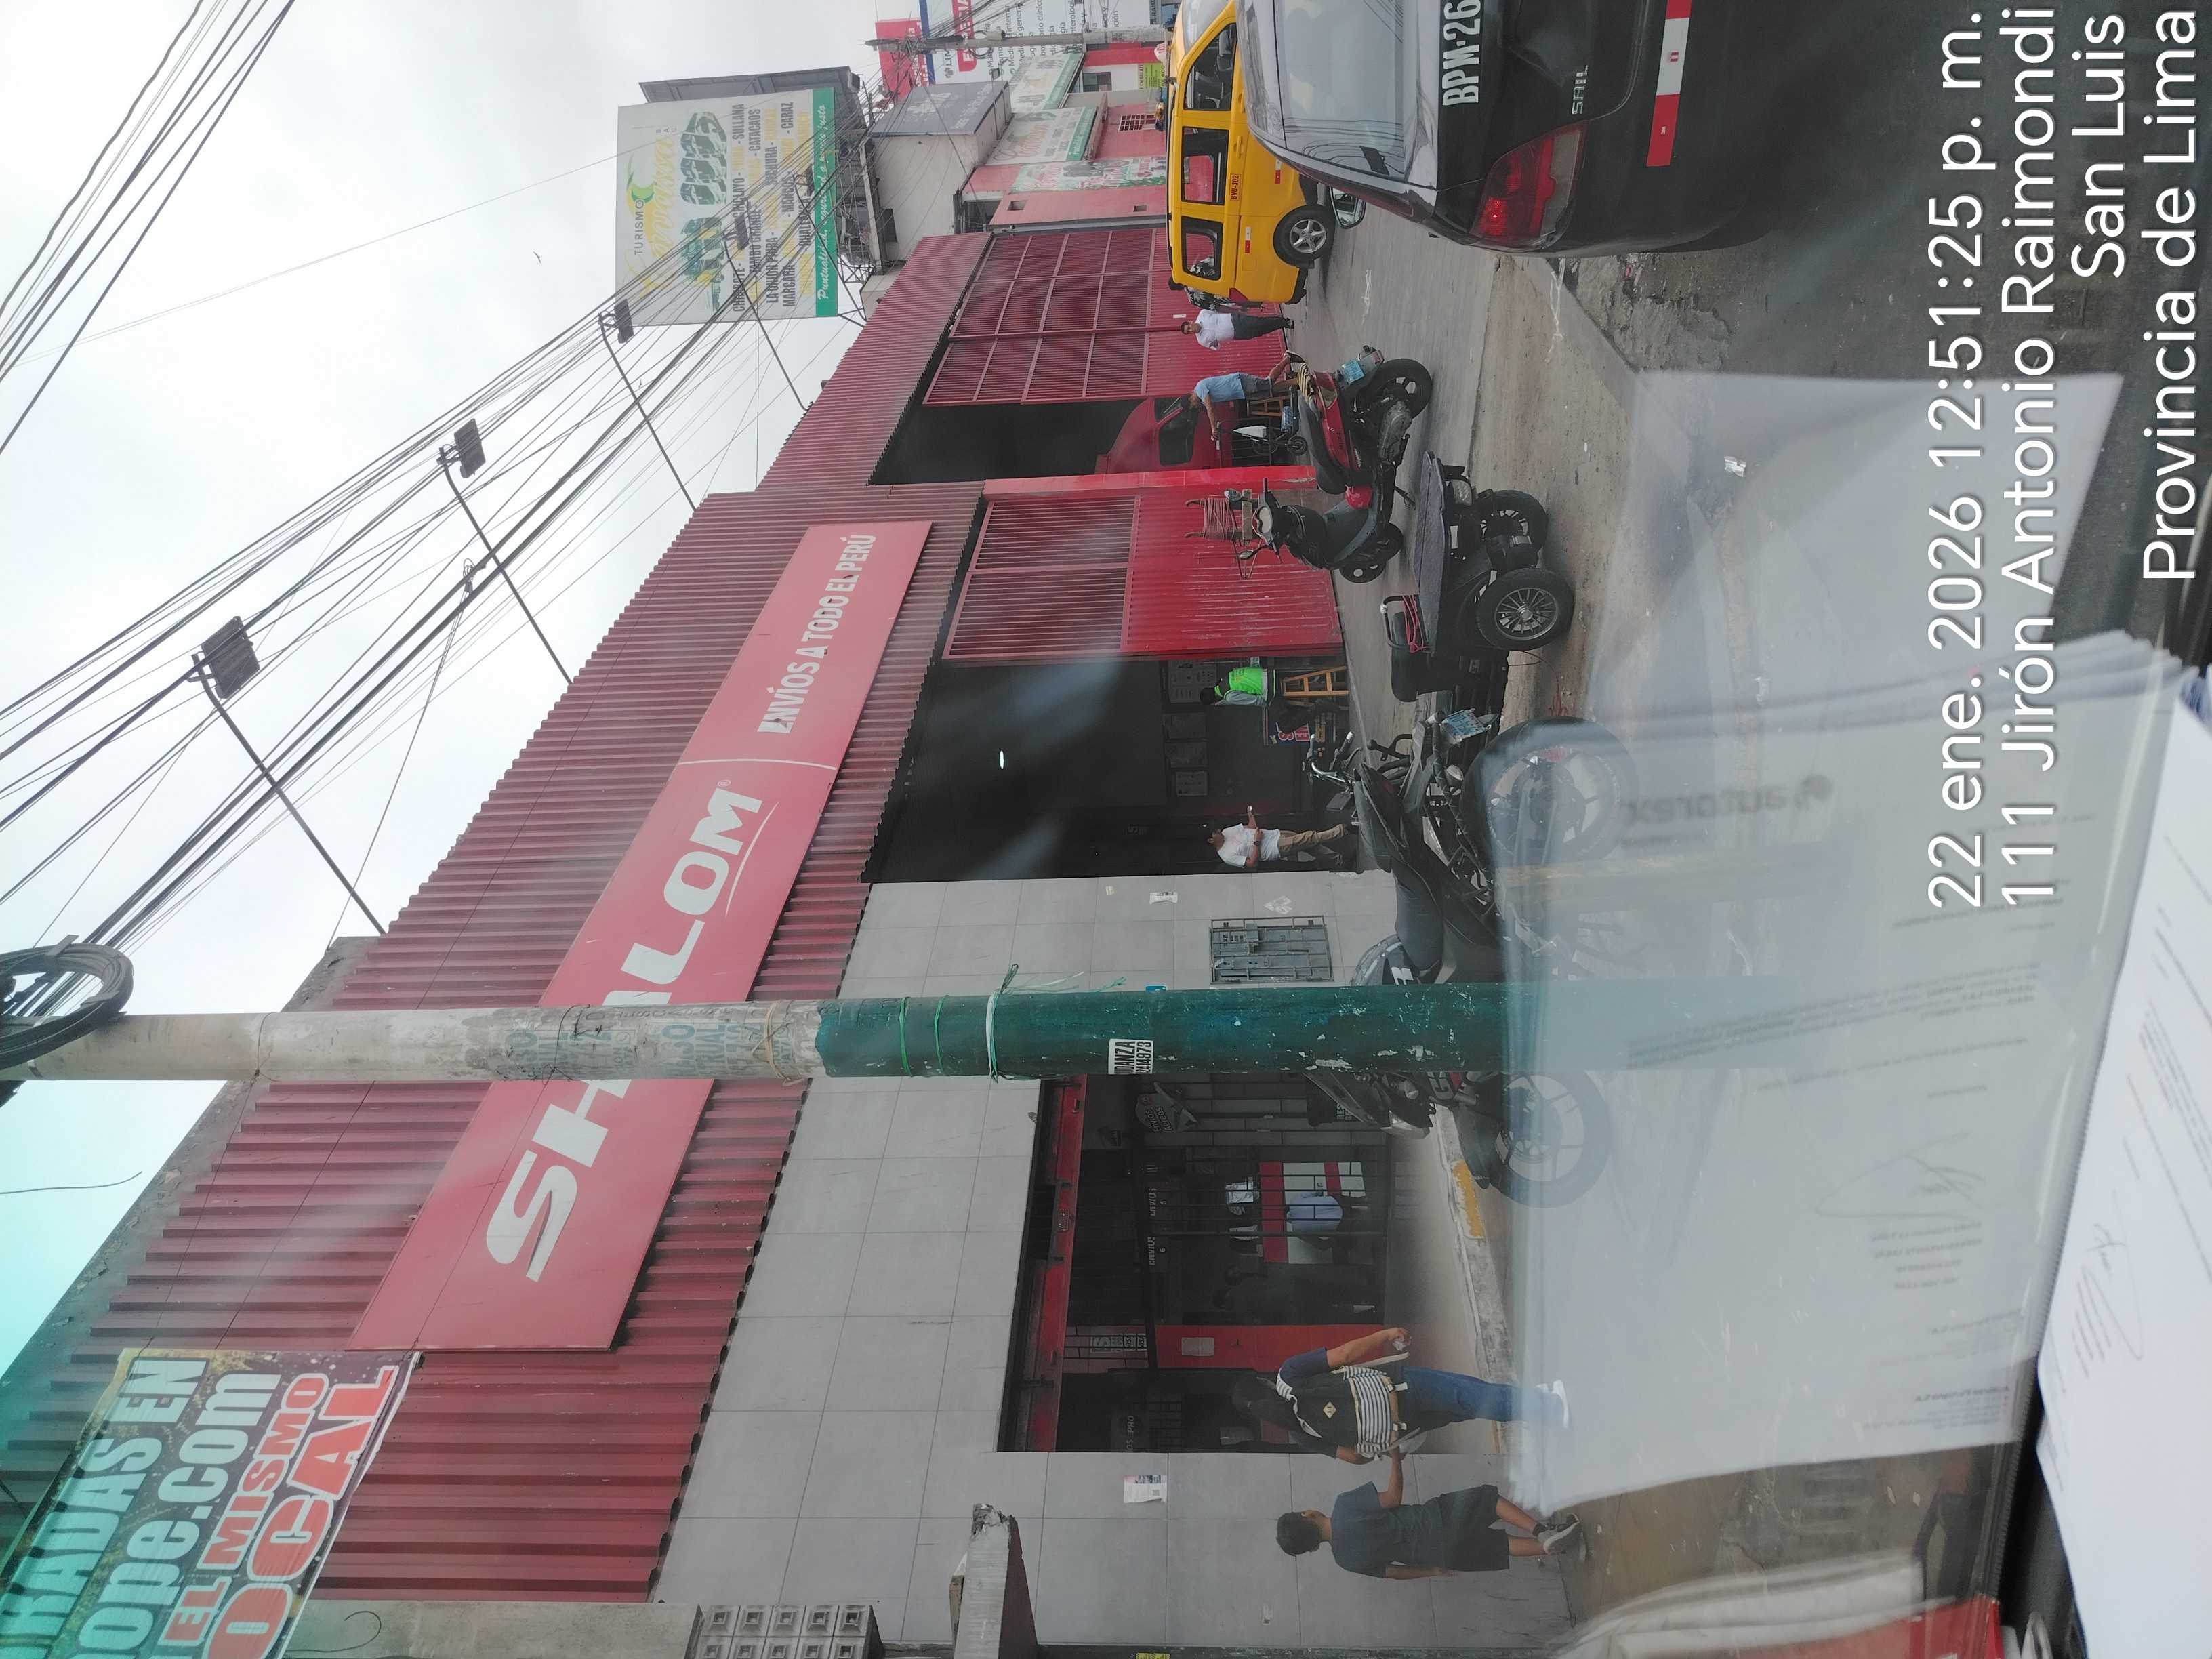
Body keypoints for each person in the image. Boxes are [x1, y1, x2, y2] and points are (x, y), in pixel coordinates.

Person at [1231, 1326, 1568, 1461]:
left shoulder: (1298, 1433)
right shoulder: (1288, 1375)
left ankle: (1530, 1401)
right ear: (1261, 1383)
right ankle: (1549, 1408)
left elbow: (1355, 1458)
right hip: (1400, 1388)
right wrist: (1386, 1334)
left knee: (1469, 1401)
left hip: (1401, 1427)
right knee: (1469, 1395)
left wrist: (1381, 1435)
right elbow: (1345, 1355)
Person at [1275, 1450, 1583, 1578]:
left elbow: (1394, 1573)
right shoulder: (1344, 1506)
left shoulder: (1345, 1561)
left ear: (1311, 1548)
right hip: (1435, 1520)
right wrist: (1396, 1458)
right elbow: (1393, 1497)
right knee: (1489, 1500)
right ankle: (1543, 1533)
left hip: (1440, 1555)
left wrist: (1433, 1571)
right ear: (1308, 1514)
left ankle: (1557, 1546)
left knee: (1501, 1546)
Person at [1210, 806, 1349, 869]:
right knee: (1309, 838)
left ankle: (1340, 861)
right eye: (1214, 832)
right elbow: (1252, 864)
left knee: (1311, 845)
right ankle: (1342, 830)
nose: (1218, 831)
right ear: (1211, 840)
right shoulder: (1227, 855)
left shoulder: (1226, 832)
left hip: (1274, 834)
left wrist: (1250, 815)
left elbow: (1251, 827)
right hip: (1274, 848)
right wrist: (1257, 842)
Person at [1184, 310, 1293, 350]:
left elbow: (1219, 309)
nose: (1190, 331)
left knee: (1258, 322)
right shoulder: (1201, 340)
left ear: (1190, 322)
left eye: (1189, 328)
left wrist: (1235, 308)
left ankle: (1284, 322)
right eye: (1188, 332)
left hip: (1234, 320)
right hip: (1236, 334)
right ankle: (1280, 325)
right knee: (1260, 332)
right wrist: (1215, 344)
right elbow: (1216, 347)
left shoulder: (1203, 314)